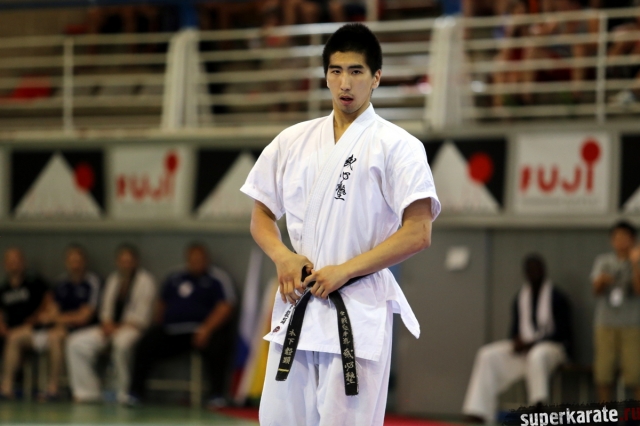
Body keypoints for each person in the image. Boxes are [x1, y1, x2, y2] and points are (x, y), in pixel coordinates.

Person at [240, 23, 440, 426]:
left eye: (356, 71)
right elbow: (261, 215)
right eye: (336, 71)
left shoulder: (399, 146)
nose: (345, 83)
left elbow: (419, 232)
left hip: (357, 309)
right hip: (298, 305)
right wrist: (283, 257)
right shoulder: (292, 141)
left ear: (376, 77)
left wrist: (345, 270)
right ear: (326, 75)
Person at [462, 254, 572, 423]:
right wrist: (517, 342)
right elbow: (515, 330)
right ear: (525, 273)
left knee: (537, 353)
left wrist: (533, 343)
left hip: (552, 349)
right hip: (525, 350)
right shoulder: (520, 298)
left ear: (544, 271)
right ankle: (478, 410)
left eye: (537, 269)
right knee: (487, 354)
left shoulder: (558, 297)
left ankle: (538, 405)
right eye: (530, 270)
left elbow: (563, 333)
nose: (534, 273)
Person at [126, 243, 234, 407]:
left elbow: (226, 306)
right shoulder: (174, 277)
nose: (196, 263)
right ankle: (135, 393)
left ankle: (217, 395)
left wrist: (207, 329)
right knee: (146, 343)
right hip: (173, 332)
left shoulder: (217, 278)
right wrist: (159, 322)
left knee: (219, 345)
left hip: (203, 331)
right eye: (193, 260)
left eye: (200, 260)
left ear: (206, 260)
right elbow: (161, 303)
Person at [66, 244, 156, 403]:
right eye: (122, 261)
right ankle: (87, 391)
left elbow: (141, 317)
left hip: (133, 329)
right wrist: (107, 323)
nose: (125, 264)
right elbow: (105, 309)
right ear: (117, 262)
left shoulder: (145, 281)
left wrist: (117, 328)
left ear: (135, 262)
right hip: (109, 328)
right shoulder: (113, 279)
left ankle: (123, 392)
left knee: (121, 344)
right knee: (75, 342)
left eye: (129, 261)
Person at [39, 245, 101, 400]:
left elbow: (84, 317)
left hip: (87, 329)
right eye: (72, 261)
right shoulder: (61, 282)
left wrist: (58, 318)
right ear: (66, 262)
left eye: (78, 261)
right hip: (64, 328)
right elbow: (52, 312)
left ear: (84, 262)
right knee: (54, 336)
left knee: (64, 338)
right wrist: (58, 319)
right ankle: (53, 388)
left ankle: (76, 389)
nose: (75, 265)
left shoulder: (92, 282)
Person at [592, 221, 640, 402]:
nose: (620, 241)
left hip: (633, 324)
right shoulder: (603, 261)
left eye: (624, 237)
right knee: (603, 374)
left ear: (633, 239)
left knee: (636, 375)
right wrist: (602, 280)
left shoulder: (638, 260)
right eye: (616, 237)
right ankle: (605, 415)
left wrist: (635, 264)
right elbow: (595, 291)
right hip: (605, 323)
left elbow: (638, 290)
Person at [0, 248, 50, 399]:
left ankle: (6, 387)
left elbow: (48, 301)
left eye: (17, 260)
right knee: (11, 337)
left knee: (14, 338)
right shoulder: (4, 288)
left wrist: (34, 319)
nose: (14, 264)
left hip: (33, 330)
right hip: (11, 331)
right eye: (10, 261)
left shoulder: (34, 282)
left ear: (23, 263)